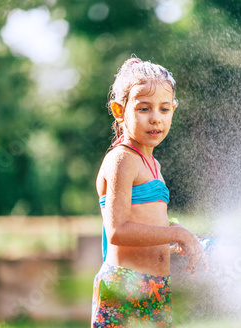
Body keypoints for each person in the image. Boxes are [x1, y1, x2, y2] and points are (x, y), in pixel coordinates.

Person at [91, 57, 208, 328]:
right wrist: (176, 234)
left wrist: (172, 233)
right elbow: (118, 230)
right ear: (119, 111)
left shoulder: (153, 164)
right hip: (125, 287)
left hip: (155, 287)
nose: (156, 118)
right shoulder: (122, 159)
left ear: (173, 110)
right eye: (144, 108)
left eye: (164, 109)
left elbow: (143, 223)